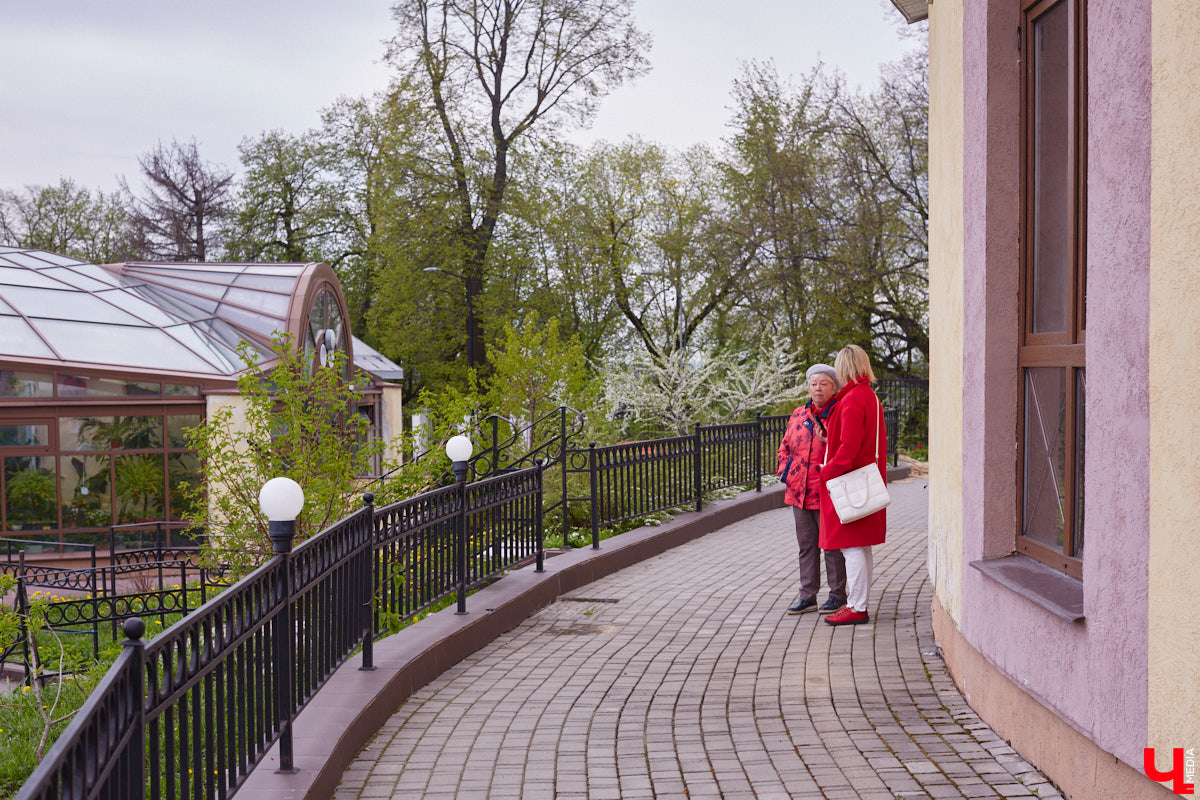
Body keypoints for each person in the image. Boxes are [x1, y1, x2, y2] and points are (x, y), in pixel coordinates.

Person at [817, 344, 887, 626]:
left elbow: (848, 448)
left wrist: (826, 471)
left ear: (843, 367)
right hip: (864, 480)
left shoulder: (852, 399)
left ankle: (857, 606)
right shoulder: (868, 395)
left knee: (852, 547)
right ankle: (860, 603)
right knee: (861, 547)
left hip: (849, 483)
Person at [776, 364, 847, 615]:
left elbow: (845, 448)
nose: (818, 388)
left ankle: (837, 595)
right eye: (814, 383)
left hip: (825, 491)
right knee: (807, 546)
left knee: (831, 545)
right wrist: (786, 472)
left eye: (824, 383)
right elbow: (784, 447)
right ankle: (808, 596)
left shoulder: (838, 413)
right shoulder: (798, 414)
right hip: (799, 492)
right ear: (808, 387)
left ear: (834, 387)